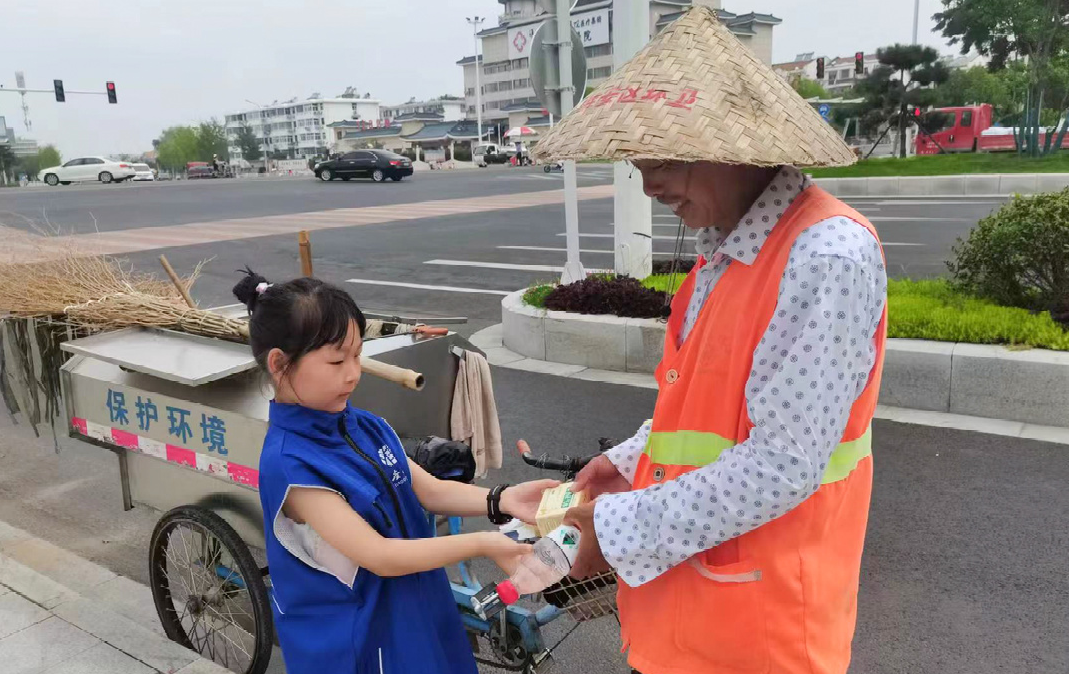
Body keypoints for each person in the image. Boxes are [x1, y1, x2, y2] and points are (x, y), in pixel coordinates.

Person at [533, 7, 888, 674]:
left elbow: (783, 462)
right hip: (688, 620)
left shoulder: (825, 256)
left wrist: (612, 529)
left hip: (762, 634)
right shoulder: (721, 252)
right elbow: (707, 409)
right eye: (638, 162)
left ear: (739, 148)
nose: (649, 184)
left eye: (666, 159)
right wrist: (628, 460)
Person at [232, 270, 559, 674]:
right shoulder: (293, 465)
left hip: (418, 611)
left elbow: (430, 490)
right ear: (280, 364)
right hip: (361, 641)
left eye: (357, 355)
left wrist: (503, 499)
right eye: (336, 360)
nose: (353, 373)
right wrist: (485, 543)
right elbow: (380, 556)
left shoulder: (364, 425)